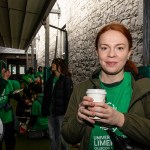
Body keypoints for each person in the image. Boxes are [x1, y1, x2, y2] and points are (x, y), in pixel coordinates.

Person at [61, 22, 150, 150]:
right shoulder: (81, 89)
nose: (111, 54)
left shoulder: (145, 88)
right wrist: (79, 119)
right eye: (104, 48)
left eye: (119, 48)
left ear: (129, 52)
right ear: (97, 52)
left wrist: (120, 119)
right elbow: (69, 137)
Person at [42, 58, 73, 150]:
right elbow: (46, 97)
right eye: (52, 63)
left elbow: (69, 97)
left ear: (60, 66)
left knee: (63, 137)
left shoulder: (66, 80)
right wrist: (44, 109)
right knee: (52, 136)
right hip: (51, 112)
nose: (52, 64)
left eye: (54, 63)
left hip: (62, 113)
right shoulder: (50, 79)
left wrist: (69, 114)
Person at [0, 61, 16, 150]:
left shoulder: (8, 82)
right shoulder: (5, 81)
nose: (4, 71)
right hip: (0, 119)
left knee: (10, 141)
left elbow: (10, 93)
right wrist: (5, 79)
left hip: (8, 117)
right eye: (3, 69)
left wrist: (13, 94)